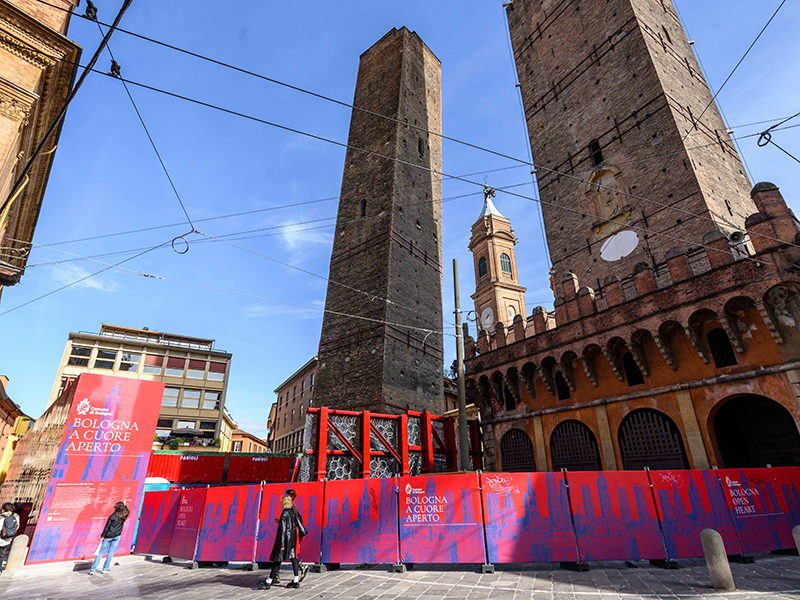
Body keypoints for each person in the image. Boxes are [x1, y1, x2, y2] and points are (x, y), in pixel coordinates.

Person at [257, 494, 306, 590]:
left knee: (277, 560)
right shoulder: (292, 512)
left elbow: (282, 531)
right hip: (292, 540)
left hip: (285, 541)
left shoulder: (284, 513)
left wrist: (282, 545)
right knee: (293, 559)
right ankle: (296, 581)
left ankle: (268, 581)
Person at [88, 502, 129, 575]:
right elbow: (127, 511)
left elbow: (107, 527)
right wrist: (125, 505)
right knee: (110, 553)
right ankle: (105, 569)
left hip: (108, 536)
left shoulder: (112, 516)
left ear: (115, 507)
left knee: (100, 553)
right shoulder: (124, 515)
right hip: (117, 536)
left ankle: (93, 570)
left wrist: (102, 536)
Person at [0, 503, 19, 573]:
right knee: (2, 554)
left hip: (0, 538)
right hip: (8, 538)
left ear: (4, 509)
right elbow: (17, 526)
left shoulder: (1, 517)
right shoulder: (16, 516)